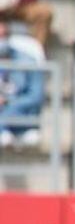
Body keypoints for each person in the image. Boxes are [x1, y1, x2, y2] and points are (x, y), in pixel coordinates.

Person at [0, 20, 44, 148]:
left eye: (2, 36)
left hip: (19, 118)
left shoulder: (27, 62)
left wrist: (8, 102)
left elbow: (35, 96)